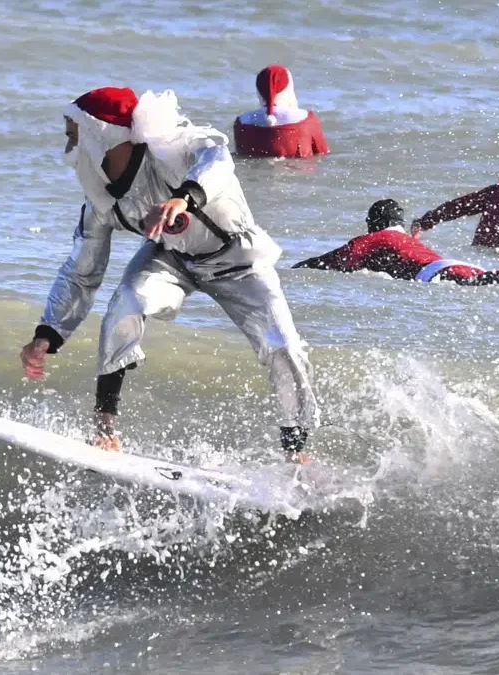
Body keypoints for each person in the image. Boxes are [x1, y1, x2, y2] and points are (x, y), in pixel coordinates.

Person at [20, 86, 320, 462]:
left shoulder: (171, 149)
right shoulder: (100, 200)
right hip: (173, 258)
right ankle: (105, 428)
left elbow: (218, 157)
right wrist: (49, 331)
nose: (68, 143)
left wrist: (185, 196)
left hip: (238, 260)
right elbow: (82, 273)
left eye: (73, 133)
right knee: (127, 302)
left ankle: (298, 452)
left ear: (101, 134)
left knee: (284, 347)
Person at [293, 199, 499, 286]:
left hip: (438, 273)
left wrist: (295, 269)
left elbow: (329, 261)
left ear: (373, 223)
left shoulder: (376, 238)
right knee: (483, 279)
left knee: (480, 283)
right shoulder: (402, 238)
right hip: (453, 265)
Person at [233, 64, 329, 159]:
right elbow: (323, 155)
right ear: (289, 89)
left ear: (259, 91)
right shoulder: (308, 120)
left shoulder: (241, 122)